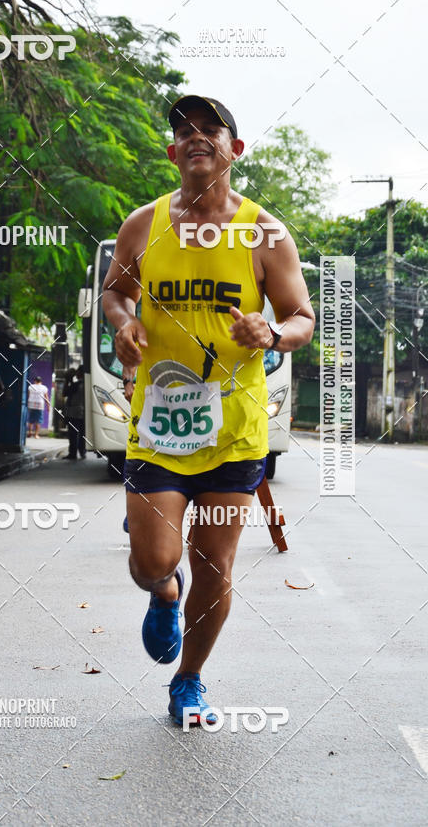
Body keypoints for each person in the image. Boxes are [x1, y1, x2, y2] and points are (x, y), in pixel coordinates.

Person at [102, 94, 315, 726]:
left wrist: (270, 336)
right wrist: (123, 322)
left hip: (233, 434)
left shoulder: (265, 233)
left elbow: (302, 317)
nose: (197, 137)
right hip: (159, 429)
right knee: (156, 563)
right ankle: (163, 592)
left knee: (215, 567)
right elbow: (115, 291)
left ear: (234, 149)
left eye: (211, 130)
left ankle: (188, 680)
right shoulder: (143, 225)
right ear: (173, 154)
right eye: (184, 132)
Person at [63, 365, 86, 459]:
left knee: (73, 434)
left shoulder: (76, 385)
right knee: (82, 434)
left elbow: (64, 393)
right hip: (84, 413)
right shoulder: (87, 384)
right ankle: (82, 452)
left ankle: (72, 453)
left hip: (74, 413)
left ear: (80, 373)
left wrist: (68, 380)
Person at [26, 375, 49, 439]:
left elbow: (28, 396)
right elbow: (46, 398)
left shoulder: (31, 386)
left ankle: (30, 432)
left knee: (30, 420)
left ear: (35, 381)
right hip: (39, 406)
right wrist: (48, 406)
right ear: (41, 381)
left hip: (31, 405)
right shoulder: (44, 388)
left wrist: (27, 404)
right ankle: (36, 435)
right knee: (38, 421)